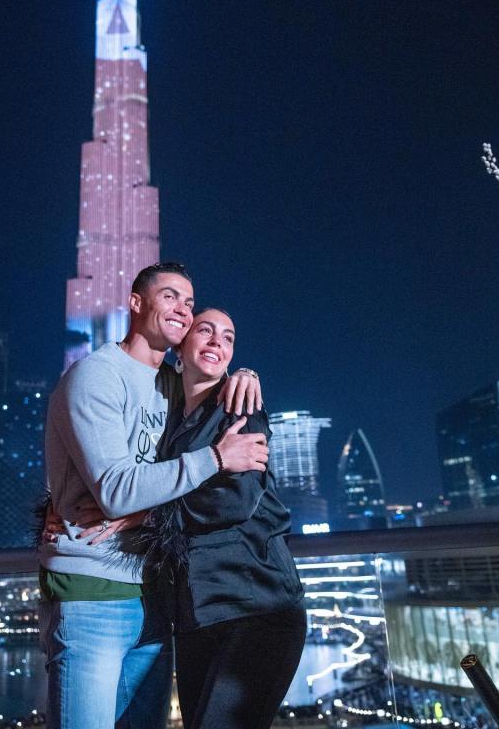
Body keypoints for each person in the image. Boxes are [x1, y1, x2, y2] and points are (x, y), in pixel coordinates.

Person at [38, 262, 267, 729]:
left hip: (157, 597)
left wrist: (244, 373)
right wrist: (217, 459)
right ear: (136, 303)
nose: (182, 309)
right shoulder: (95, 376)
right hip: (92, 594)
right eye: (170, 296)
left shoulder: (172, 386)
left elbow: (212, 372)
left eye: (188, 301)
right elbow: (118, 492)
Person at [144, 307, 307, 729]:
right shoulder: (166, 415)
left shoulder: (239, 408)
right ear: (182, 343)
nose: (218, 341)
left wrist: (146, 508)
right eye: (206, 331)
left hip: (258, 609)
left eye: (229, 337)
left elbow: (233, 502)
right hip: (196, 616)